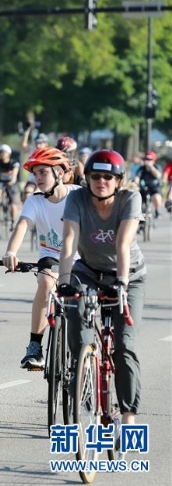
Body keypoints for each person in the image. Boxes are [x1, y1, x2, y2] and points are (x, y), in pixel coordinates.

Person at [58, 149, 145, 426]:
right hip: (89, 272)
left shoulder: (130, 198)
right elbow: (70, 240)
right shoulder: (77, 197)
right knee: (77, 320)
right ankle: (83, 373)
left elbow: (122, 243)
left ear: (118, 180)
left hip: (128, 275)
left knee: (124, 346)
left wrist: (121, 282)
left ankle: (128, 415)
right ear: (87, 178)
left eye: (108, 176)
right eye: (95, 176)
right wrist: (63, 281)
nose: (101, 181)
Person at [2, 147, 79, 370]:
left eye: (43, 172)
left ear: (60, 173)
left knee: (84, 301)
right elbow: (22, 226)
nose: (37, 178)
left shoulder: (78, 195)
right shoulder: (34, 200)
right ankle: (35, 346)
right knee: (45, 283)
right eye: (35, 173)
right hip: (51, 257)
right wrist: (11, 252)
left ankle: (85, 352)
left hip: (80, 258)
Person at [0, 144, 21, 229]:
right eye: (0, 152)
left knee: (13, 202)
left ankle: (13, 221)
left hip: (11, 183)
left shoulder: (13, 163)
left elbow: (14, 175)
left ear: (8, 153)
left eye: (4, 152)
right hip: (1, 182)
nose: (2, 154)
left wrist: (12, 181)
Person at [133, 150, 163, 218]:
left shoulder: (157, 167)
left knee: (157, 198)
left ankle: (156, 210)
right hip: (144, 189)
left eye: (149, 159)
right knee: (136, 200)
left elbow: (158, 175)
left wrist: (151, 167)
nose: (147, 161)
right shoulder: (141, 169)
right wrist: (135, 184)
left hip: (154, 188)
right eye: (146, 159)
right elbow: (137, 177)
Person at [21, 130, 49, 200]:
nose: (38, 144)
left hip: (45, 180)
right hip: (32, 180)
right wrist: (27, 130)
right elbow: (23, 144)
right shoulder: (32, 150)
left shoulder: (49, 153)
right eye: (37, 142)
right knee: (27, 194)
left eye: (40, 142)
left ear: (46, 143)